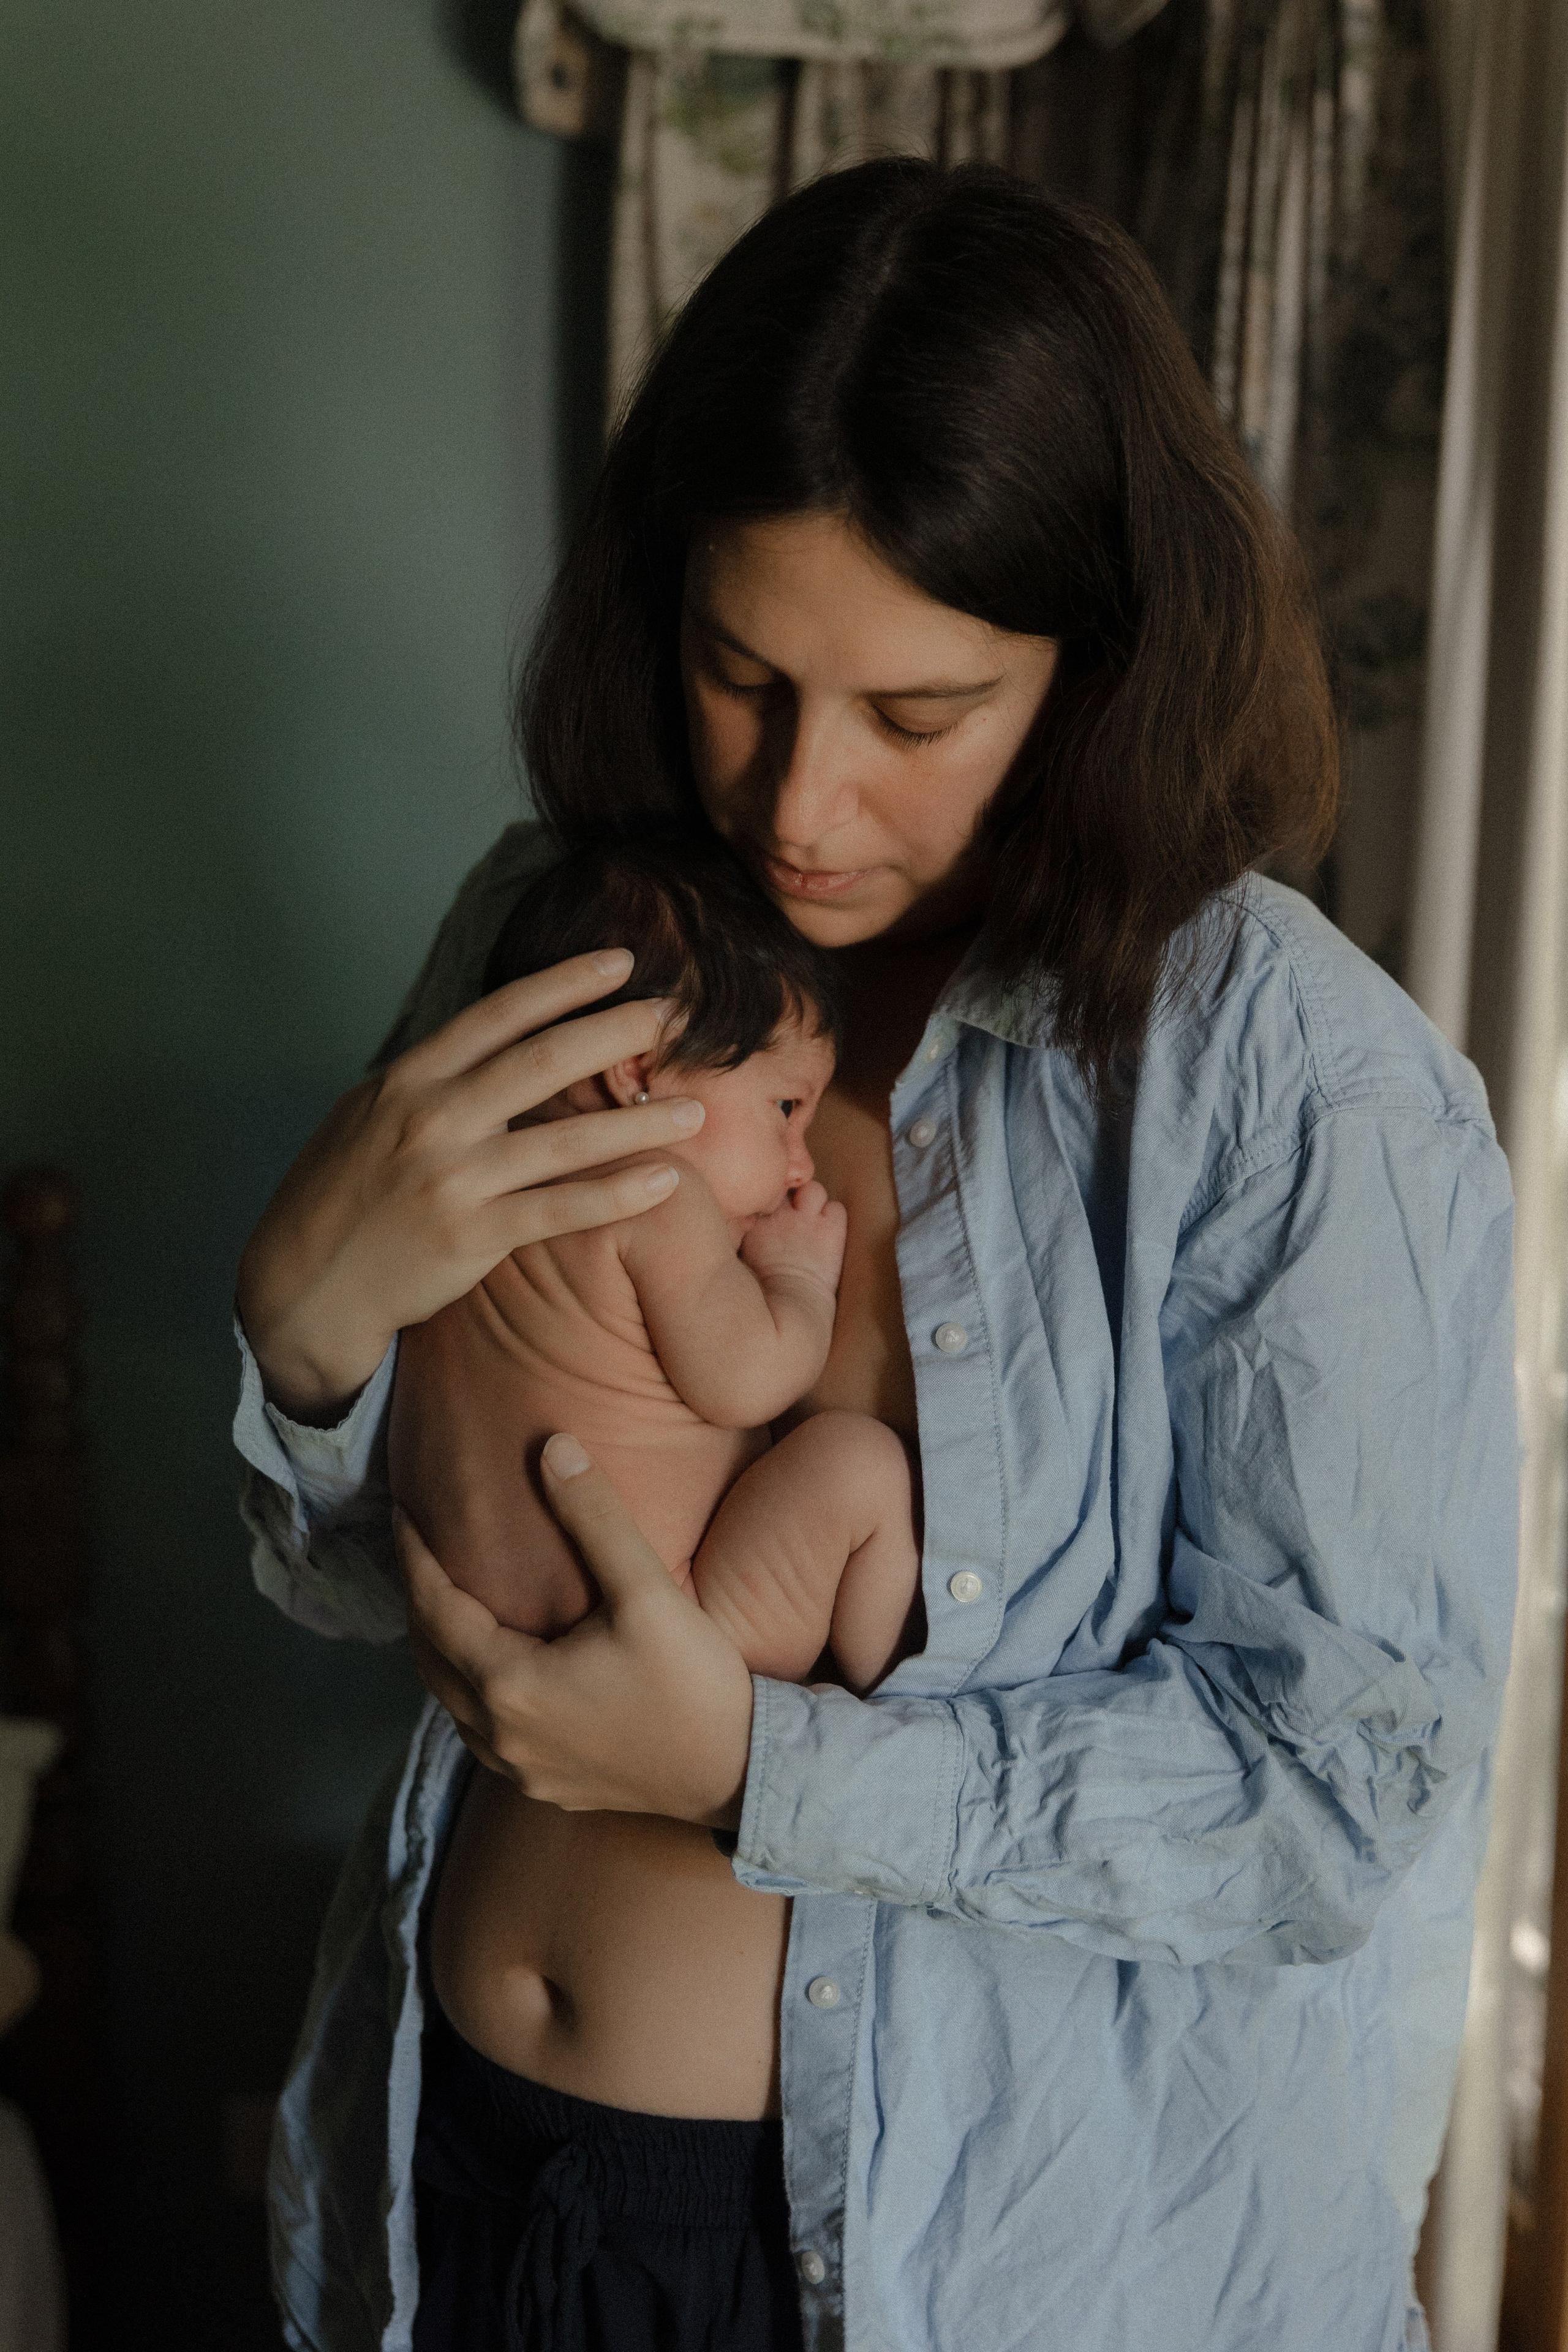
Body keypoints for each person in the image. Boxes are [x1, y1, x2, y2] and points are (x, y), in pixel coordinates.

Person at [233, 159, 1518, 2352]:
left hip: (955, 2276)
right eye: (740, 673)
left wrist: (757, 1770)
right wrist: (306, 1342)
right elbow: (384, 1585)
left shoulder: (1293, 1091)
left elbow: (1330, 1798)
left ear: (1100, 676)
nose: (801, 805)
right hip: (457, 2175)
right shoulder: (576, 938)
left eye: (919, 718)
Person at [387, 831, 921, 1691]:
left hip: (484, 1634)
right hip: (677, 1628)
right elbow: (747, 1381)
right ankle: (882, 1695)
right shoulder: (653, 1191)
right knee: (861, 1466)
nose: (801, 1163)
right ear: (637, 1072)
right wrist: (795, 1283)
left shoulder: (461, 1179)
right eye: (786, 1108)